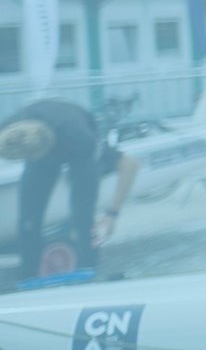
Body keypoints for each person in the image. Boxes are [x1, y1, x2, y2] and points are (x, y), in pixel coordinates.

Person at [0, 98, 140, 277]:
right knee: (28, 221)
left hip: (77, 144)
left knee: (82, 215)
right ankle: (29, 274)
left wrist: (112, 214)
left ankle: (87, 270)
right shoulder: (9, 130)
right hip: (38, 150)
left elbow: (130, 165)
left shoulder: (81, 138)